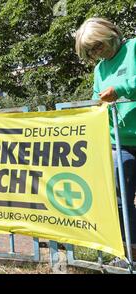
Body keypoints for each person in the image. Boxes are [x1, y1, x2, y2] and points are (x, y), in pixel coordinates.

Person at [76, 18, 136, 249]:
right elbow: (96, 100)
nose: (97, 53)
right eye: (91, 51)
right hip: (119, 143)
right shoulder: (100, 69)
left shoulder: (132, 49)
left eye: (97, 46)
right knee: (121, 201)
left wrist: (120, 89)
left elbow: (120, 88)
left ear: (110, 34)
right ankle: (130, 252)